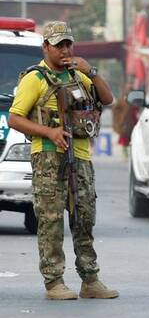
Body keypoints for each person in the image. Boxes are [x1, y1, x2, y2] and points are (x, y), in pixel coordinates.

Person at [7, 21, 118, 300]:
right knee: (51, 220)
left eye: (68, 44)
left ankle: (90, 280)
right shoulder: (35, 78)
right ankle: (54, 282)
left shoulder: (79, 75)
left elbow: (108, 99)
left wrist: (91, 71)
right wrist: (49, 132)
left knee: (84, 219)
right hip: (48, 156)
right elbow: (14, 119)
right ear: (46, 47)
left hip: (80, 157)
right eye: (59, 45)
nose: (65, 50)